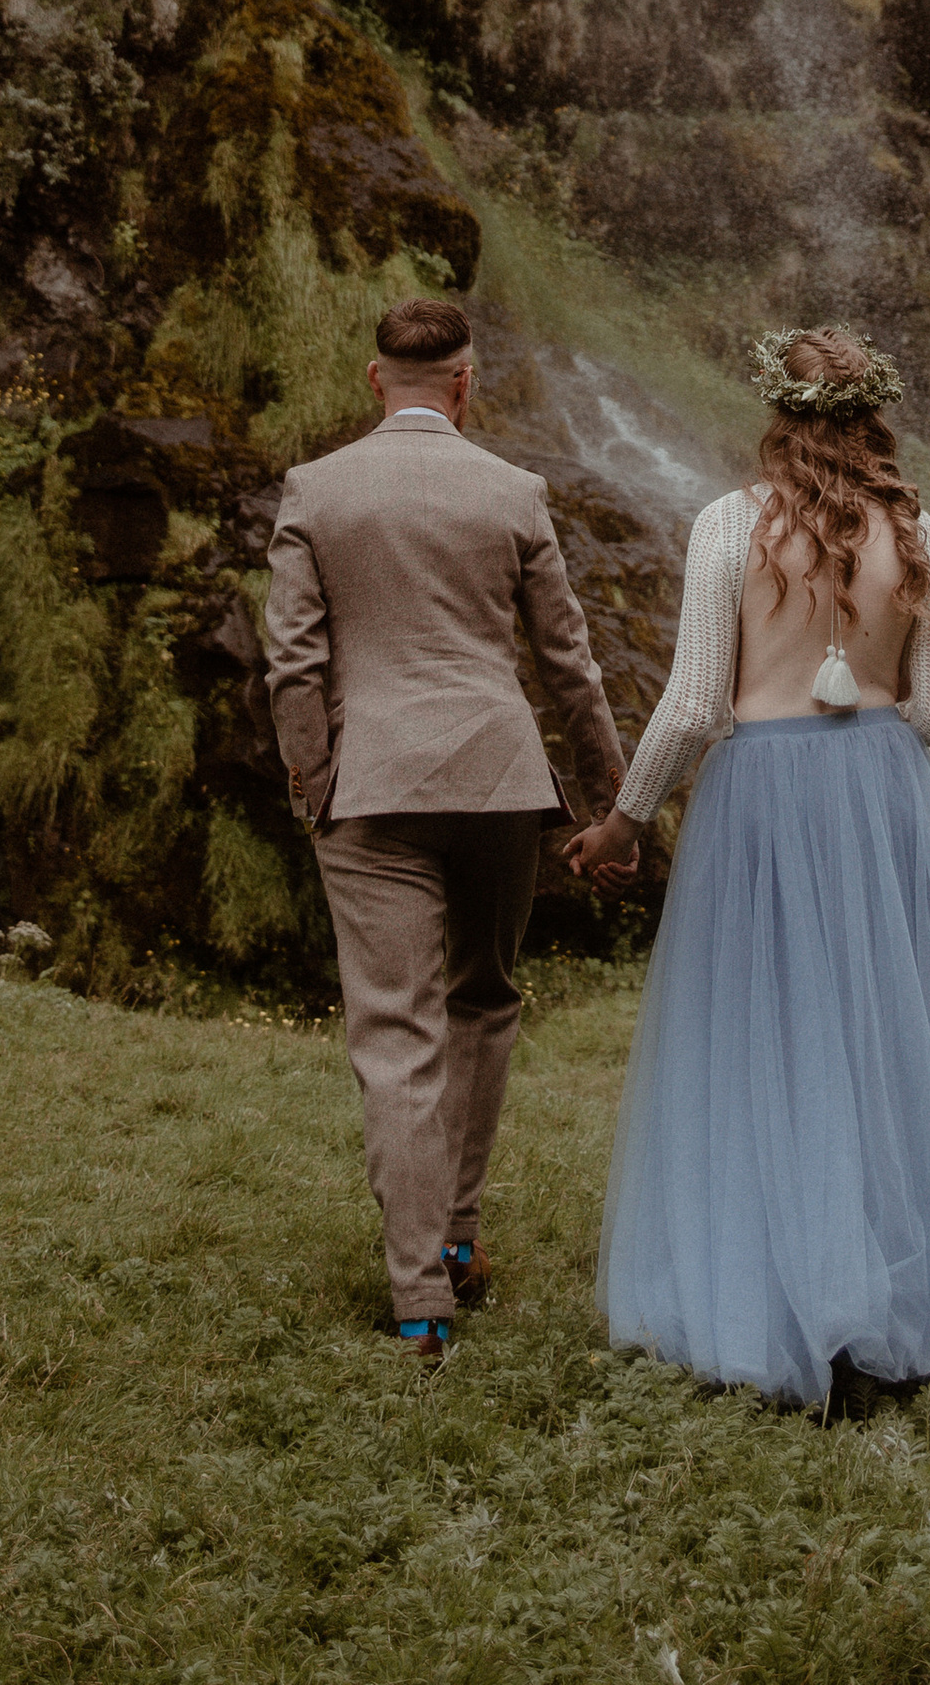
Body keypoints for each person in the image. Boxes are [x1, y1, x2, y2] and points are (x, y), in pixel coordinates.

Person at [568, 325, 930, 1409]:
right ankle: (918, 1311)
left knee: (763, 1040)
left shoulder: (727, 527)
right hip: (884, 800)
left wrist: (626, 819)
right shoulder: (919, 530)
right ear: (871, 413)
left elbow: (697, 703)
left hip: (762, 798)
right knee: (895, 1042)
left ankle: (782, 1310)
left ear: (776, 412)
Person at [263, 295, 635, 1362]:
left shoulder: (317, 489)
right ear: (465, 383)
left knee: (395, 1031)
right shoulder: (512, 490)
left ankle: (420, 1294)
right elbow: (569, 661)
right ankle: (458, 1239)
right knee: (483, 1000)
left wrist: (312, 786)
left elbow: (292, 661)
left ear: (376, 382)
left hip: (369, 788)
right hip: (497, 781)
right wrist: (608, 797)